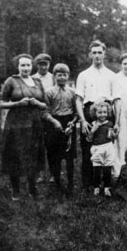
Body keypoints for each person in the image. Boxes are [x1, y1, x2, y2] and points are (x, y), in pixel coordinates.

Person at [0, 54, 47, 200]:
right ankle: (16, 191)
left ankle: (33, 189)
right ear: (18, 66)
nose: (26, 68)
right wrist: (16, 104)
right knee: (16, 155)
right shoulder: (11, 81)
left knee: (33, 154)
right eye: (22, 65)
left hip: (34, 123)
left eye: (28, 65)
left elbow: (45, 104)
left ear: (32, 66)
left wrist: (36, 103)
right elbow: (1, 103)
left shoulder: (38, 82)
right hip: (16, 124)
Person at [75, 40, 120, 192]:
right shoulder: (83, 75)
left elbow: (116, 100)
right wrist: (82, 120)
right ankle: (89, 183)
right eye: (94, 52)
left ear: (104, 54)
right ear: (90, 55)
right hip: (89, 112)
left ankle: (106, 182)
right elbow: (79, 99)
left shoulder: (112, 75)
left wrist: (117, 122)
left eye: (99, 52)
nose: (97, 55)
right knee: (88, 146)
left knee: (107, 146)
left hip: (107, 112)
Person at [42, 63, 77, 197]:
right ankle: (56, 182)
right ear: (55, 76)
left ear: (68, 76)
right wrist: (54, 121)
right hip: (54, 124)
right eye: (59, 75)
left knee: (69, 156)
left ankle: (70, 183)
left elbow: (76, 112)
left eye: (65, 75)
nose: (62, 77)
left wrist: (72, 123)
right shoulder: (49, 92)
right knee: (54, 155)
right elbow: (45, 112)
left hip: (68, 123)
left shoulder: (72, 92)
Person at [86, 102, 117, 197]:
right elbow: (88, 139)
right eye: (100, 112)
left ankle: (107, 187)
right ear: (95, 113)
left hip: (108, 146)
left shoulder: (110, 123)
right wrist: (92, 130)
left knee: (107, 168)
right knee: (97, 169)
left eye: (104, 112)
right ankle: (97, 187)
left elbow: (111, 137)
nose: (102, 114)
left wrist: (114, 135)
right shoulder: (93, 124)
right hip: (97, 148)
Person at [32, 53, 55, 183]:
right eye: (41, 64)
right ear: (37, 65)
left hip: (51, 115)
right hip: (37, 115)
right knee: (37, 146)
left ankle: (53, 173)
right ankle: (39, 174)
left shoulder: (53, 77)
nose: (43, 67)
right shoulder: (32, 78)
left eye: (45, 64)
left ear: (49, 65)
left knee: (51, 145)